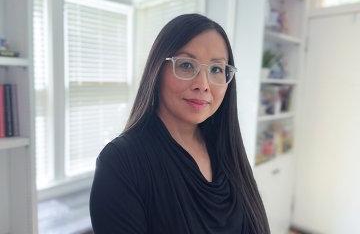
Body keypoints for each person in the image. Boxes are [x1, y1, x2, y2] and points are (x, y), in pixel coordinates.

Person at [89, 13, 270, 234]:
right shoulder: (120, 163)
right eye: (186, 65)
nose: (203, 85)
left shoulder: (226, 147)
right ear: (157, 70)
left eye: (216, 69)